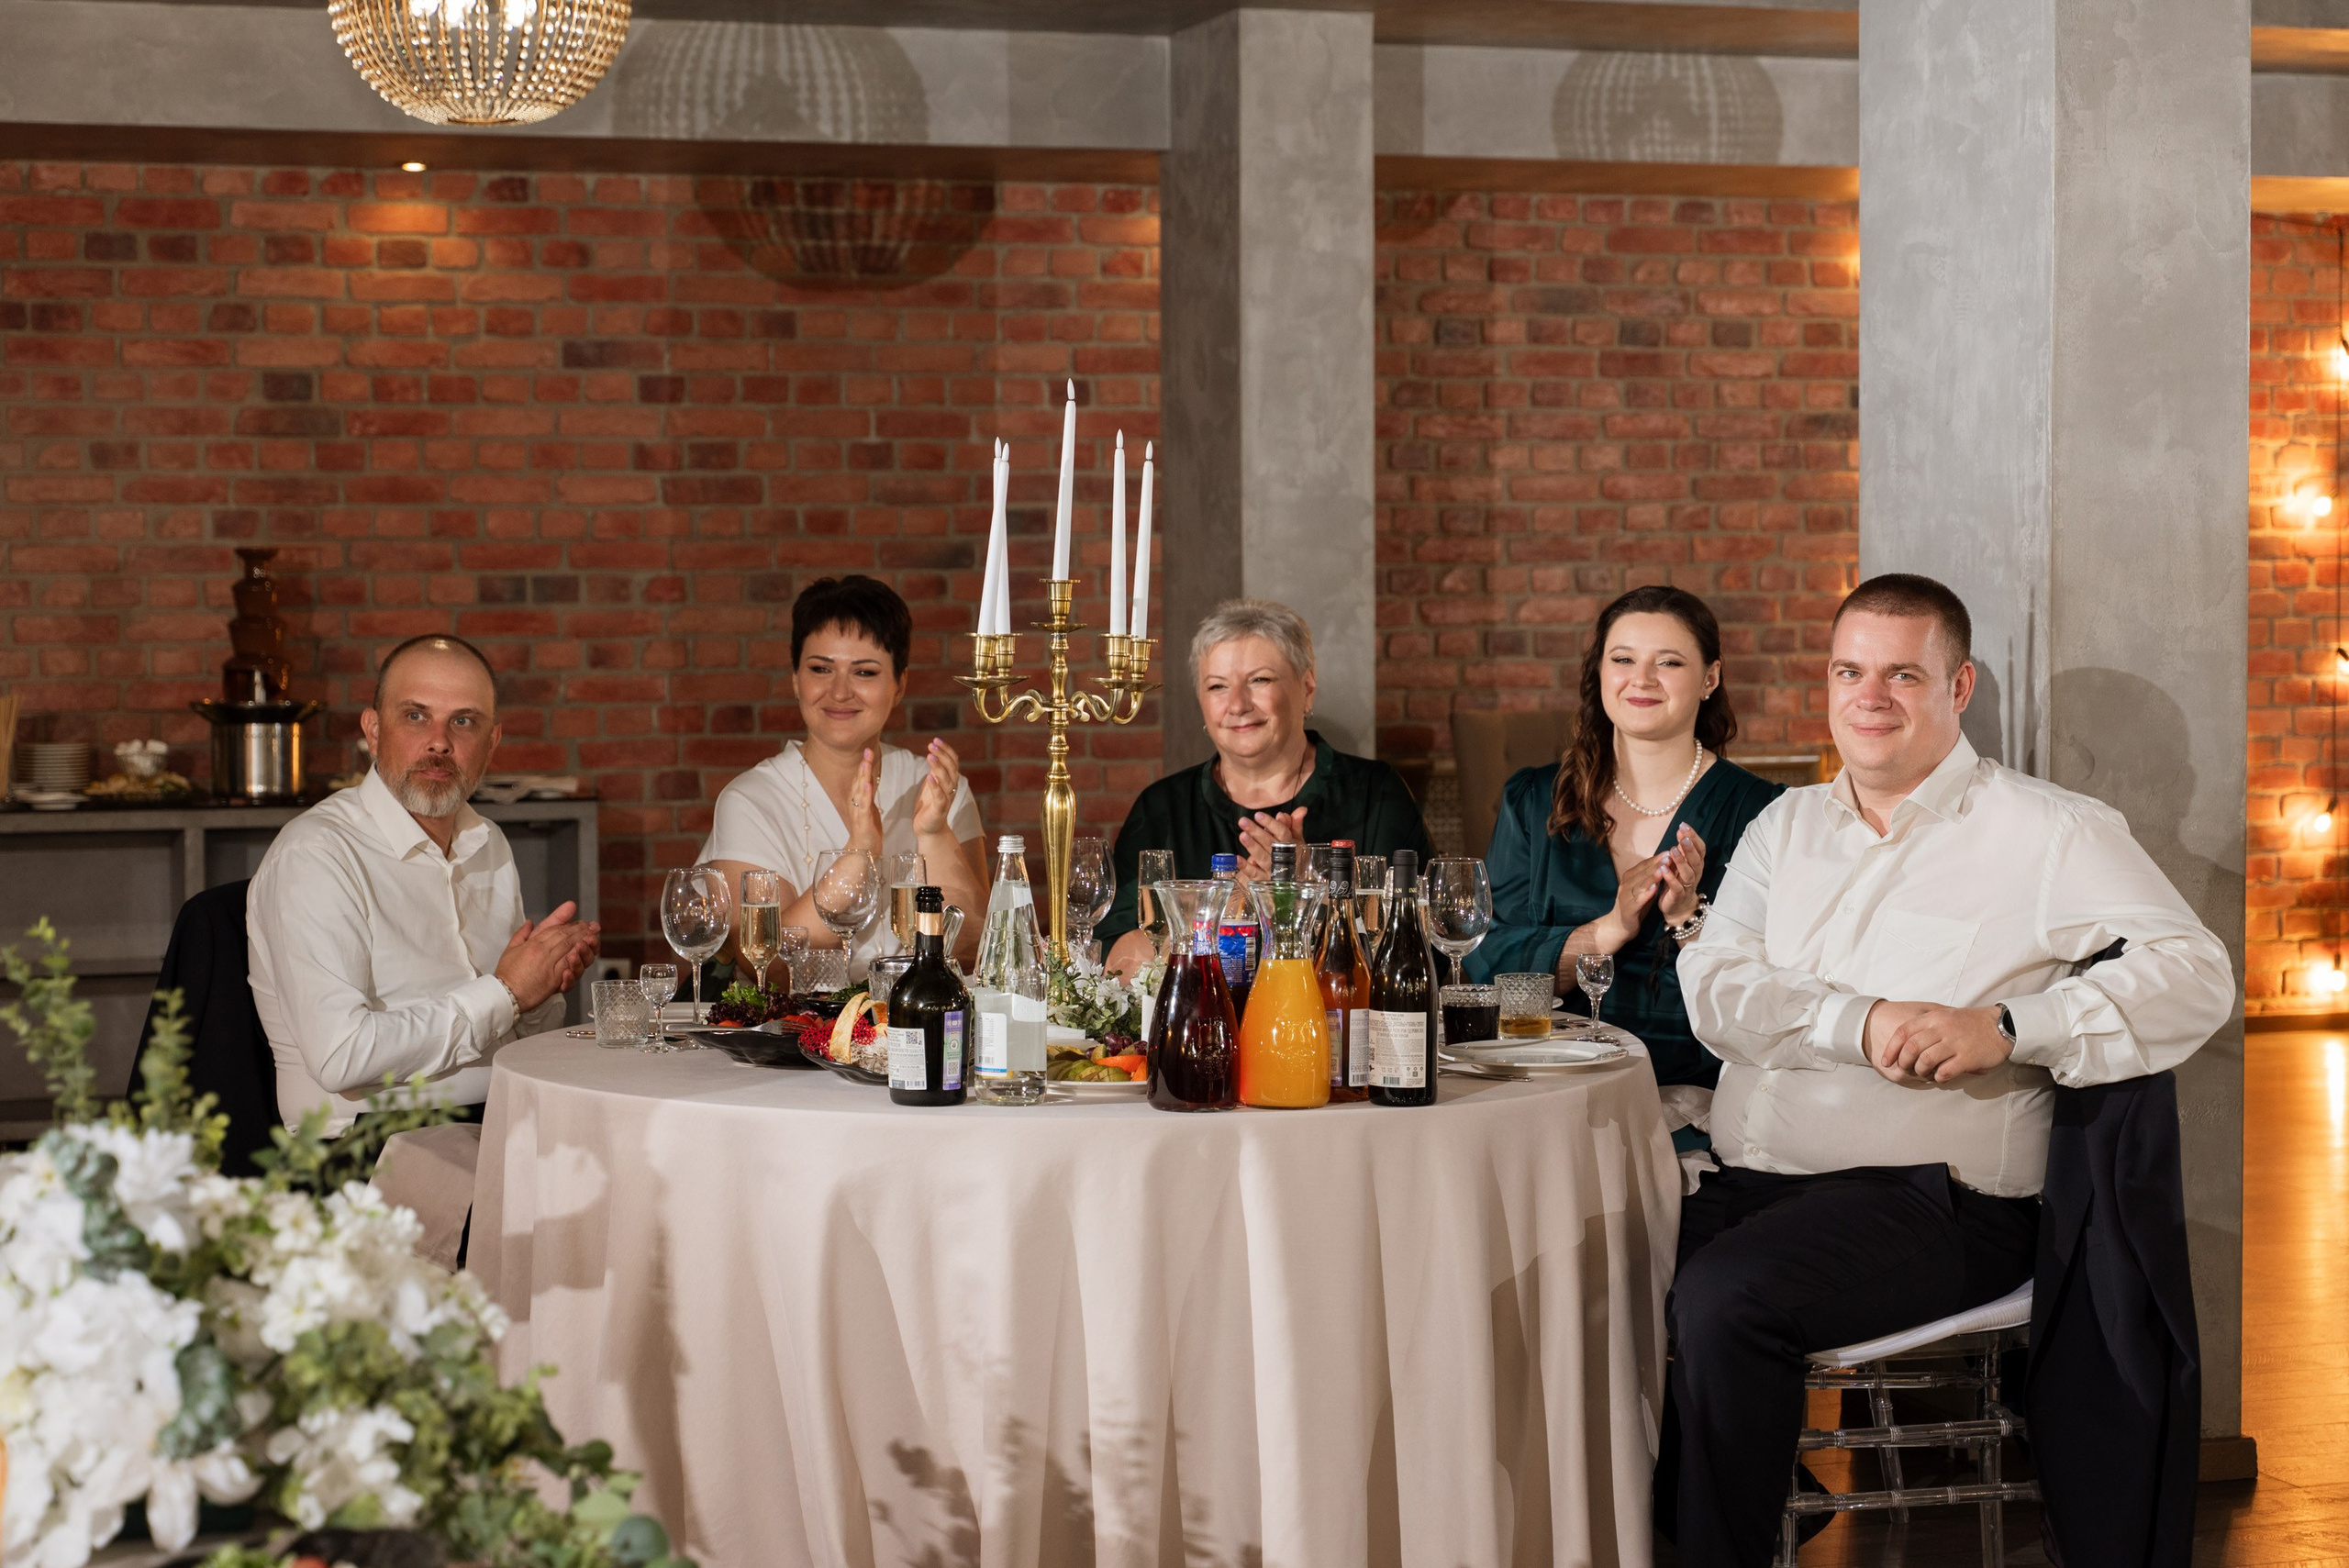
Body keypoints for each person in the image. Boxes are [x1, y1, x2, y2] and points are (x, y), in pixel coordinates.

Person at [1664, 574, 2235, 1566]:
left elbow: (2195, 976)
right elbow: (1715, 987)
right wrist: (1860, 1019)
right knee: (1565, 1278)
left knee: (1724, 1299)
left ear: (1959, 685)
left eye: (1901, 674)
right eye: (1849, 670)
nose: (1868, 695)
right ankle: (1690, 1518)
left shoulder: (2049, 832)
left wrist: (2014, 1025)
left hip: (1941, 1202)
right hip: (1751, 1181)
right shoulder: (1783, 825)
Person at [248, 634, 601, 1136]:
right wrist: (505, 992)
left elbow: (513, 1034)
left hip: (499, 1120)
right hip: (371, 1146)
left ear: (492, 743)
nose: (439, 741)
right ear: (373, 731)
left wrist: (539, 990)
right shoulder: (318, 853)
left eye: (463, 721)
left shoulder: (489, 843)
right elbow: (341, 1055)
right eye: (415, 716)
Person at [1466, 585, 1783, 1091]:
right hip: (1541, 1084)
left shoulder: (1765, 814)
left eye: (1669, 663)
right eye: (1623, 659)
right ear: (1600, 673)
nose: (1642, 679)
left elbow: (1773, 985)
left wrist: (1689, 918)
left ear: (1710, 678)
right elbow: (1486, 968)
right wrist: (1606, 931)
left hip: (1692, 1092)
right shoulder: (1533, 800)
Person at [1099, 598, 1433, 975]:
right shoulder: (1161, 809)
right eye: (1217, 686)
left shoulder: (1377, 795)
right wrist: (1223, 911)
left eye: (1259, 680)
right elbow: (1114, 966)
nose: (1238, 704)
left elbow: (1422, 955)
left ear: (1307, 688)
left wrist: (1313, 885)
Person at [703, 575, 985, 977]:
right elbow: (768, 967)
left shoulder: (938, 786)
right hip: (794, 1034)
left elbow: (977, 951)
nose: (839, 692)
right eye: (820, 669)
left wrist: (935, 834)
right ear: (796, 679)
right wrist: (859, 853)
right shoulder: (750, 799)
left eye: (865, 673)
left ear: (900, 684)